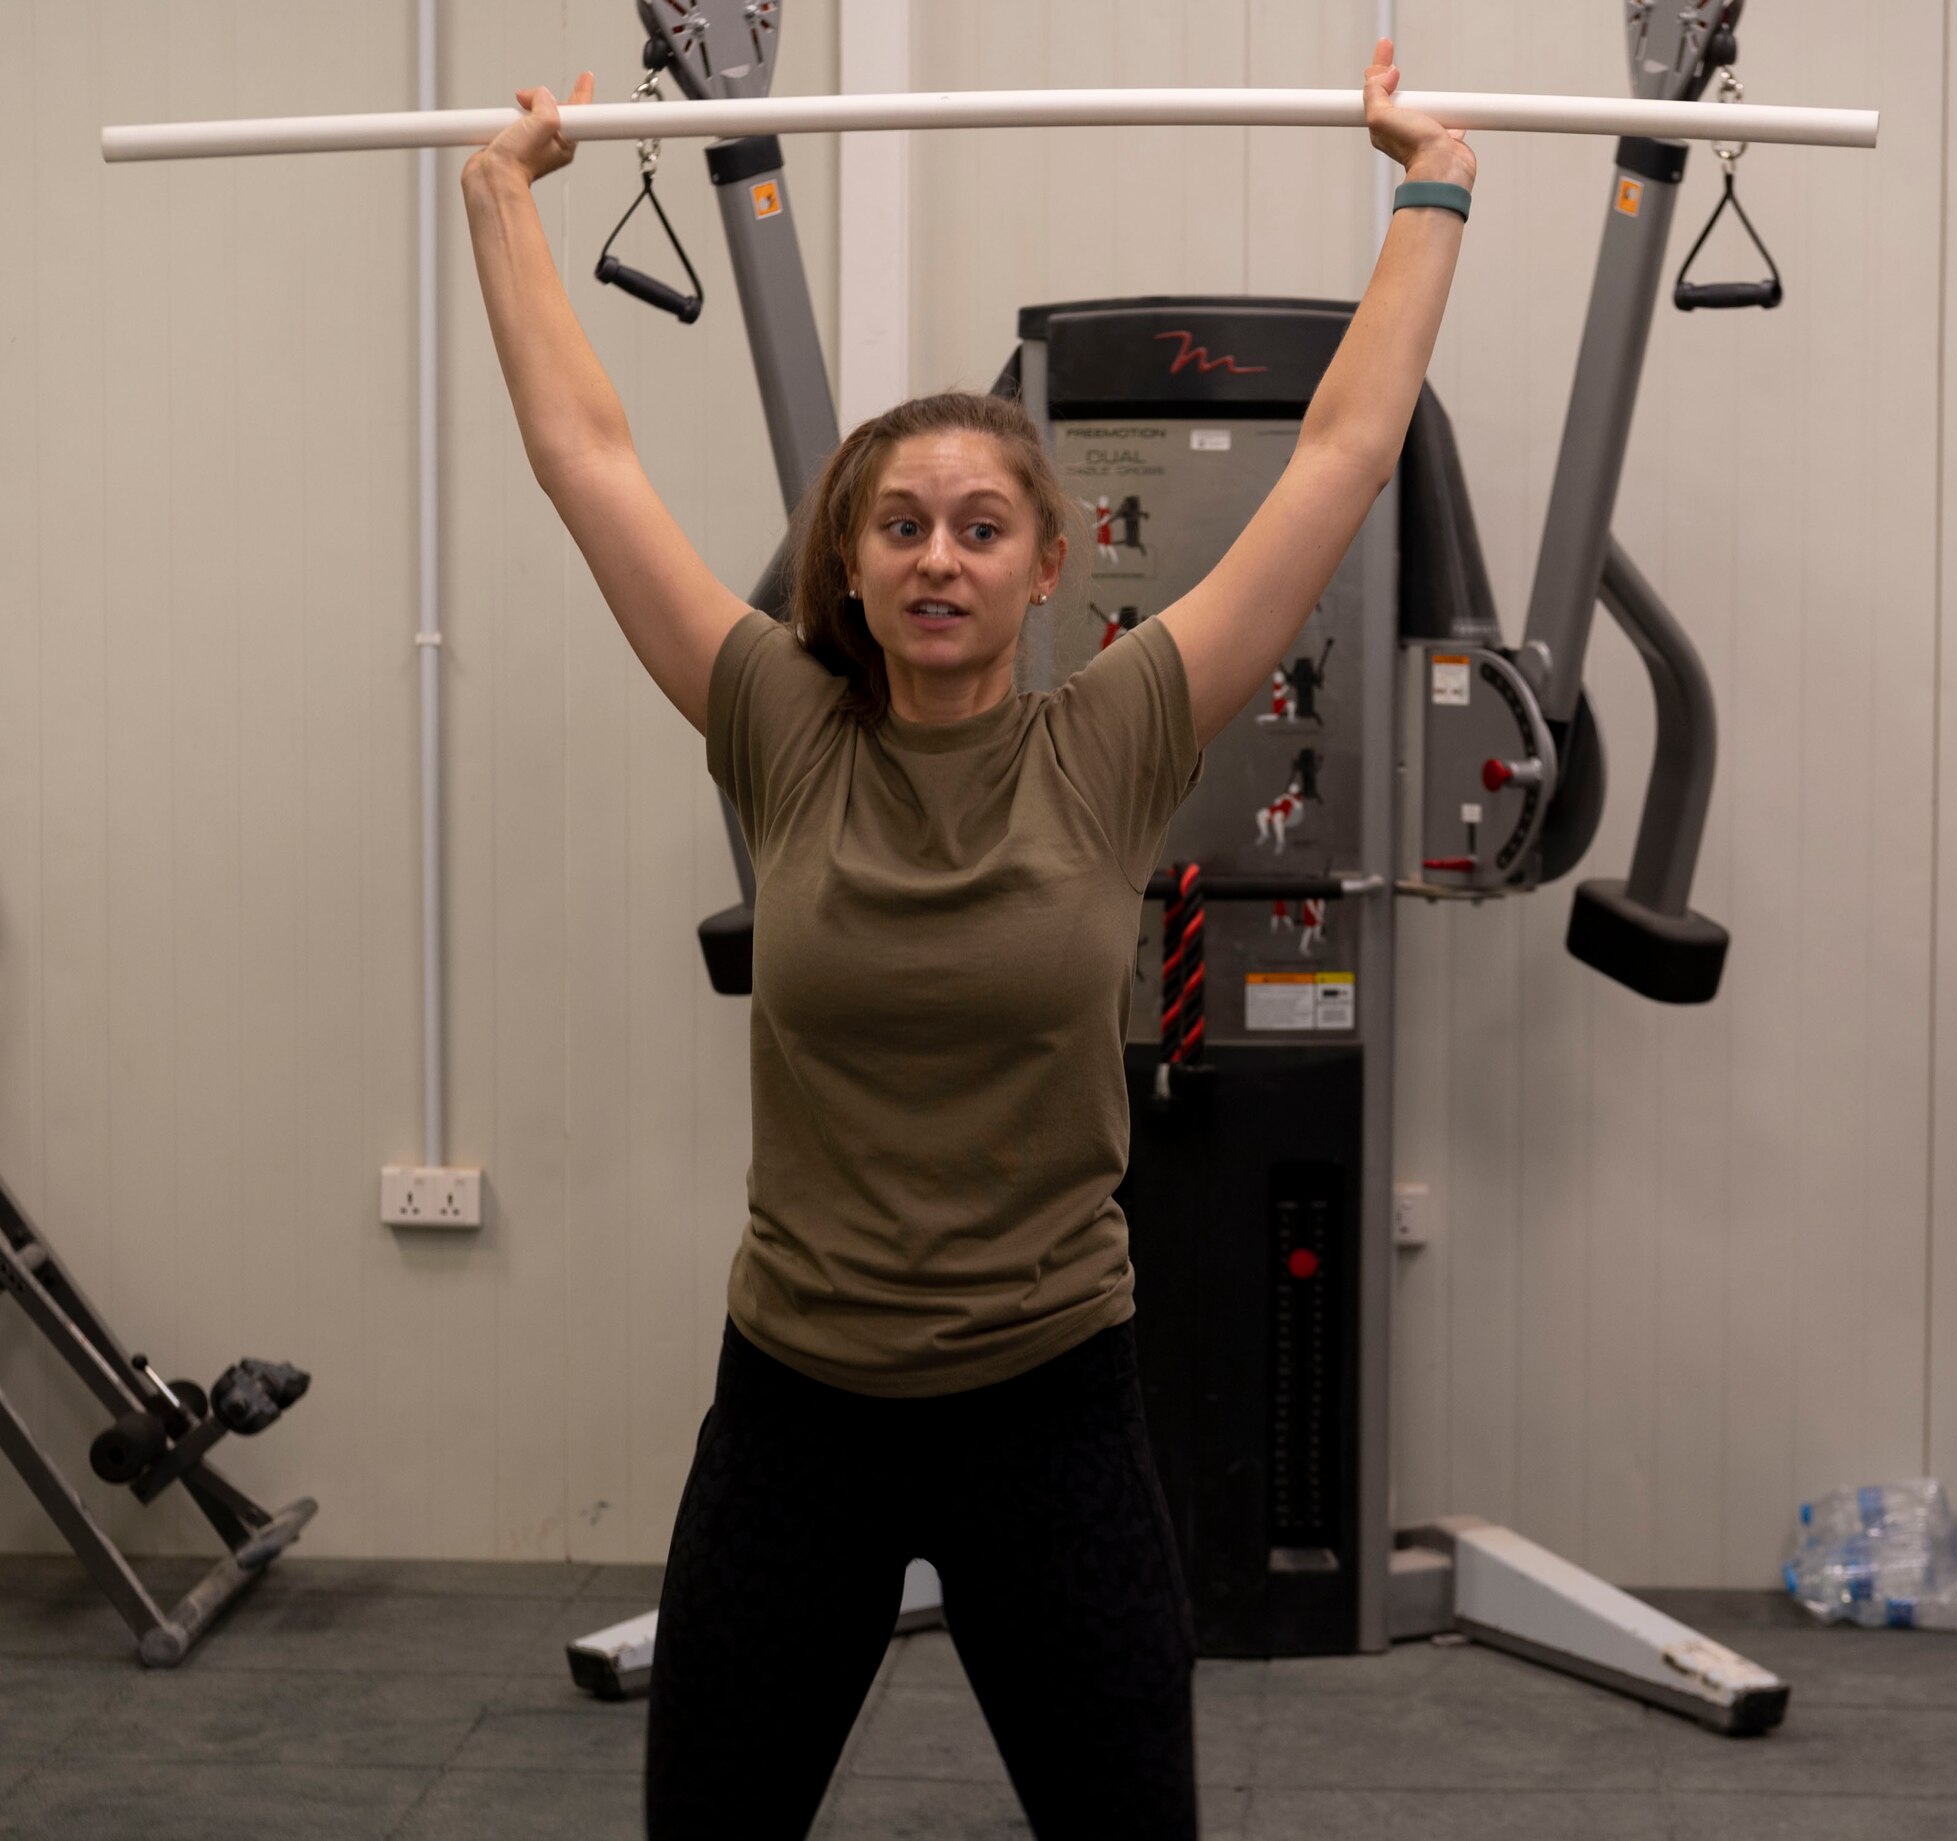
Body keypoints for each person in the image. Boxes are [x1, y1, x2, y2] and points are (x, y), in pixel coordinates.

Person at [461, 38, 1472, 1840]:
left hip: (1050, 1399)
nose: (938, 556)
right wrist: (497, 204)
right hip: (797, 1402)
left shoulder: (1118, 732)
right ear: (846, 565)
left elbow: (1341, 454)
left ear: (1045, 566)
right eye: (902, 526)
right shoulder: (772, 717)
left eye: (979, 529)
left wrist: (1433, 183)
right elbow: (586, 461)